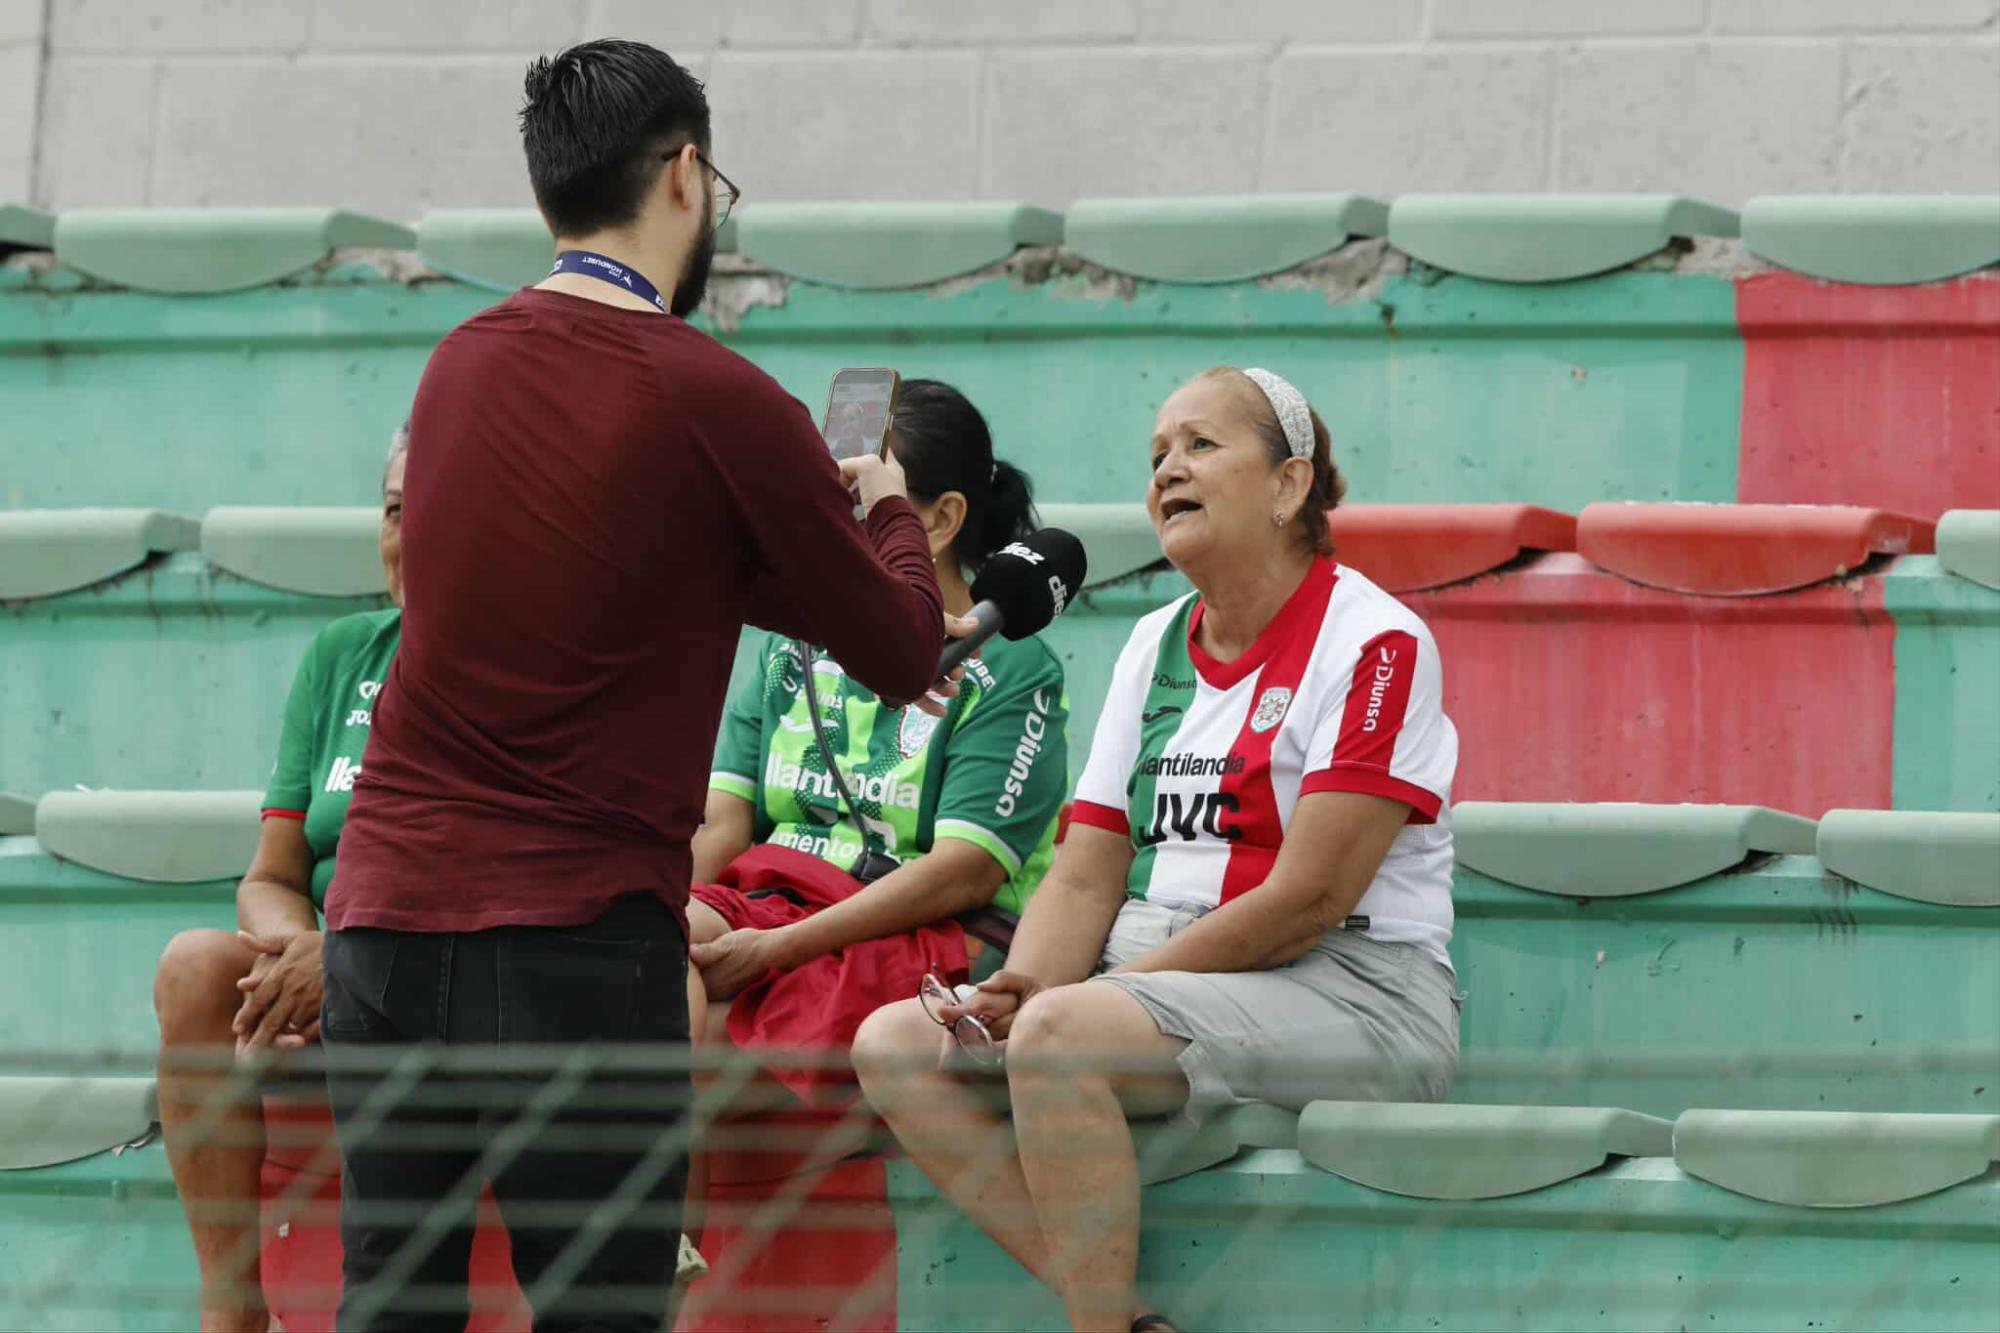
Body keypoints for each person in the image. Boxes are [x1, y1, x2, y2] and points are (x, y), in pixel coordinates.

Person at [319, 40, 950, 1333]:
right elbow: (899, 648)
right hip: (568, 945)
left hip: (381, 925)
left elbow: (629, 577)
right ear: (688, 175)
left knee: (392, 1309)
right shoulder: (720, 398)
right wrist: (880, 510)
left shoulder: (455, 370)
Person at [852, 367, 1462, 1333]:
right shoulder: (1152, 642)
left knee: (1056, 1039)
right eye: (1155, 456)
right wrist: (1029, 982)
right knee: (895, 1043)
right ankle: (1131, 1320)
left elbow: (1310, 897)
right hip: (1157, 974)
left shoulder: (1377, 640)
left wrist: (1085, 1001)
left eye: (1201, 446)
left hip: (1353, 987)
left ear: (1289, 485)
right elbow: (1090, 865)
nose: (1168, 469)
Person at [684, 379, 1069, 1104]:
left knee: (706, 1020)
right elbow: (723, 825)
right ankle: (668, 1223)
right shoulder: (790, 642)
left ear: (942, 517)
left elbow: (962, 873)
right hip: (774, 895)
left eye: (856, 498)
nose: (825, 521)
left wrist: (776, 950)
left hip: (925, 927)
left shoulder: (1013, 668)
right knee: (648, 957)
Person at [153, 423, 408, 1333]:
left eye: (435, 514)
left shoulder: (511, 666)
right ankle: (233, 1304)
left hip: (437, 962)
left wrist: (344, 965)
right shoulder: (342, 654)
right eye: (392, 511)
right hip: (330, 950)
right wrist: (304, 949)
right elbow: (272, 871)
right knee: (192, 965)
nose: (407, 536)